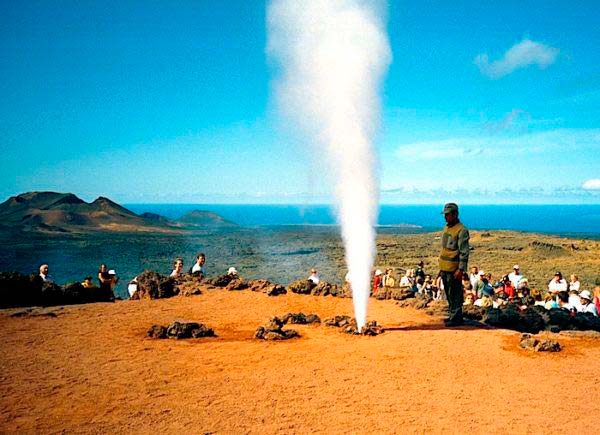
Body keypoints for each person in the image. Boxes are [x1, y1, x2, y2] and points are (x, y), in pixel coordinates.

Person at [438, 202, 470, 326]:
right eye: (445, 215)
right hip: (444, 267)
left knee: (455, 293)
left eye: (448, 214)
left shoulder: (462, 230)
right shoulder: (446, 228)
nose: (445, 217)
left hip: (453, 269)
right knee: (448, 292)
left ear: (455, 214)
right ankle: (452, 315)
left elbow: (464, 252)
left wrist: (460, 269)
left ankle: (456, 318)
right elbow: (444, 250)